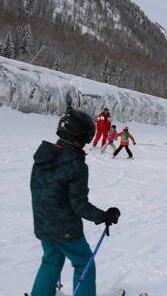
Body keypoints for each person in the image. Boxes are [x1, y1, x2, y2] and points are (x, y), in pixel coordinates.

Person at [30, 107, 120, 296]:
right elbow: (79, 205)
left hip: (43, 223)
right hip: (65, 228)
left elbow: (40, 190)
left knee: (51, 260)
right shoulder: (76, 165)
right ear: (82, 136)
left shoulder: (44, 157)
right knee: (84, 262)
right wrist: (104, 216)